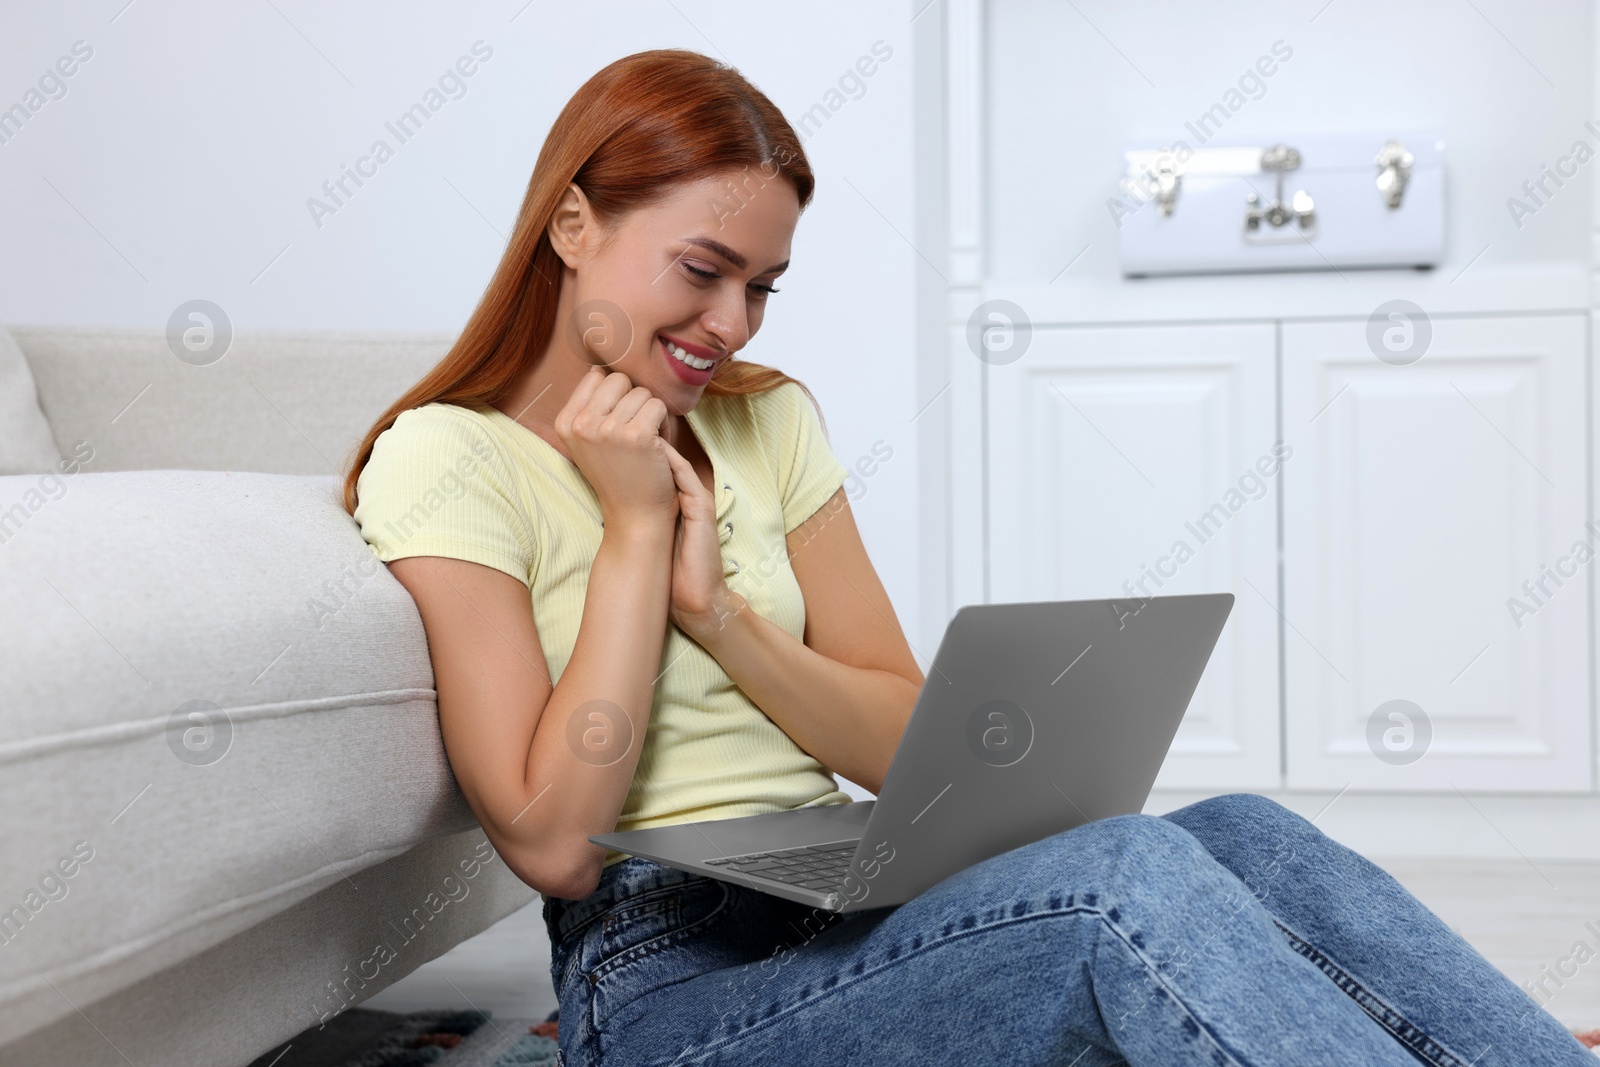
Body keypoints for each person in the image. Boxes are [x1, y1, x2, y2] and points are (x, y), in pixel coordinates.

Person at [341, 48, 1590, 1067]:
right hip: (664, 982)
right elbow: (553, 842)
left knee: (1249, 834)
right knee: (1121, 882)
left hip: (843, 901)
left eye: (763, 286)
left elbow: (896, 741)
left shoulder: (766, 419)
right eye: (704, 271)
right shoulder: (446, 457)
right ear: (571, 223)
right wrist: (629, 534)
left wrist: (720, 616)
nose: (731, 325)